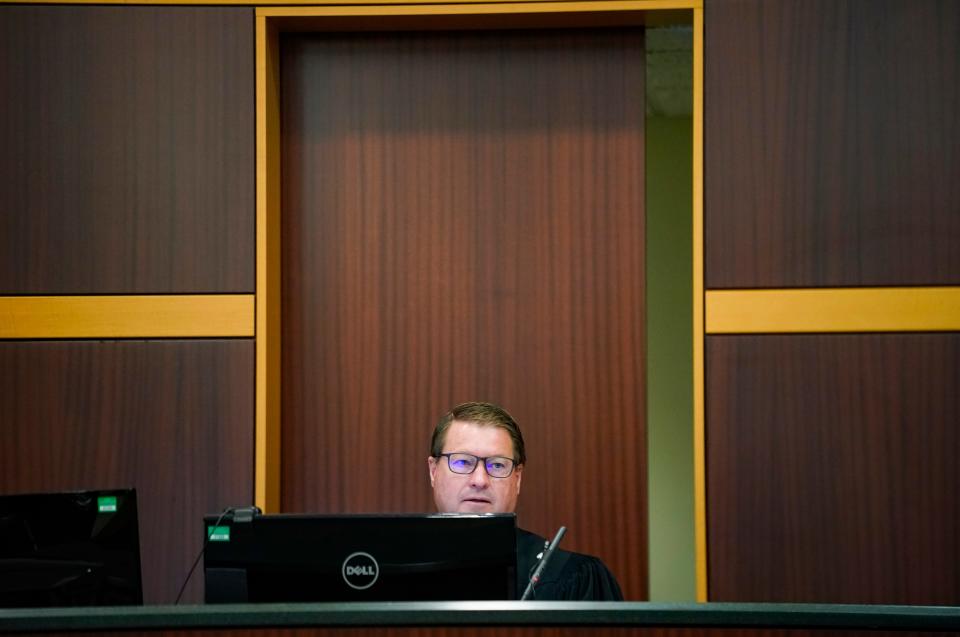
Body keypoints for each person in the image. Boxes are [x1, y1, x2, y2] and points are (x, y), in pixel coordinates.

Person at [427, 401, 624, 601]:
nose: (479, 480)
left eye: (497, 465)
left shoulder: (576, 578)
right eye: (462, 462)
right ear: (433, 471)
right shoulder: (395, 569)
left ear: (518, 478)